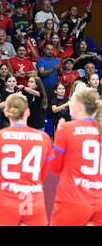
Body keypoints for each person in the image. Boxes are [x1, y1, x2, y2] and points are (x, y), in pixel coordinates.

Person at [0, 93, 53, 226]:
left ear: (5, 111)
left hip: (5, 203)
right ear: (27, 112)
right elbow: (43, 176)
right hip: (34, 202)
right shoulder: (43, 138)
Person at [50, 87, 102, 226]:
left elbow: (55, 168)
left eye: (71, 101)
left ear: (79, 106)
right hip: (99, 203)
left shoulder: (66, 129)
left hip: (72, 201)